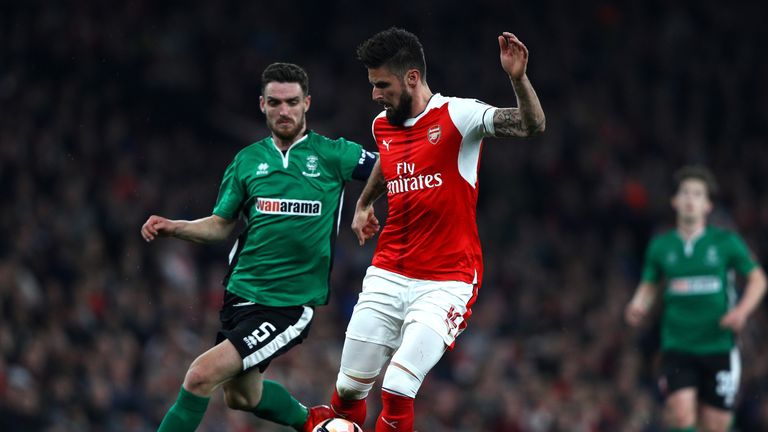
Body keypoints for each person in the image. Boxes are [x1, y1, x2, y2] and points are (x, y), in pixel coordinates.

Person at [327, 28, 546, 431]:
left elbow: (530, 125)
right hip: (388, 272)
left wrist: (517, 79)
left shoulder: (458, 116)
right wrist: (363, 203)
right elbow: (387, 160)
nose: (375, 94)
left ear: (412, 78)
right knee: (347, 390)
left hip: (446, 280)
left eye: (382, 85)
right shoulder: (383, 125)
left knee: (396, 387)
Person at [140, 62, 377, 432]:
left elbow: (393, 167)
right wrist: (175, 227)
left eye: (292, 102)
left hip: (286, 304)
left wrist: (364, 204)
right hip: (240, 296)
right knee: (241, 397)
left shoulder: (333, 154)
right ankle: (314, 422)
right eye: (275, 102)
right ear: (262, 105)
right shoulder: (247, 161)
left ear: (307, 104)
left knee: (200, 375)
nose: (284, 110)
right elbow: (221, 227)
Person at [625, 165, 766, 432]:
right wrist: (637, 304)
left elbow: (759, 279)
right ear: (675, 201)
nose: (690, 199)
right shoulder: (661, 246)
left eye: (697, 194)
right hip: (677, 346)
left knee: (717, 424)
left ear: (708, 205)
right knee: (681, 416)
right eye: (685, 193)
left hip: (718, 346)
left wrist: (742, 312)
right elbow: (649, 284)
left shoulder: (726, 243)